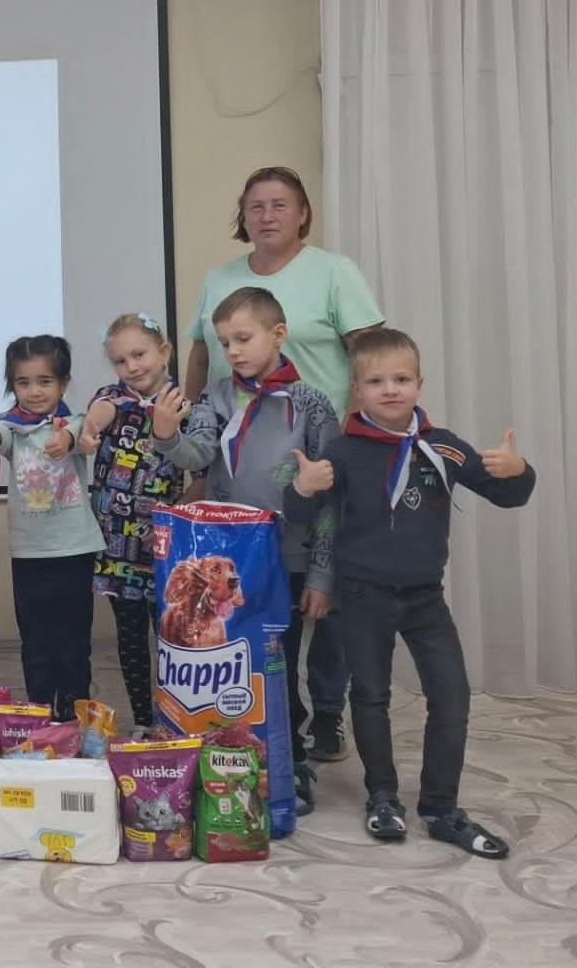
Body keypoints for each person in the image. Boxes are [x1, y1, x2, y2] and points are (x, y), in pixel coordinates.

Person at [284, 327, 532, 858]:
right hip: (362, 596)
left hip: (425, 597)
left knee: (452, 696)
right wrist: (302, 489)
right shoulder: (343, 450)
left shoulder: (443, 447)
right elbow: (302, 514)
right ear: (357, 391)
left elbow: (509, 496)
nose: (390, 389)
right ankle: (382, 797)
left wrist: (519, 472)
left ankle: (440, 808)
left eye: (401, 379)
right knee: (370, 695)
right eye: (376, 381)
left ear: (420, 384)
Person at [184, 166, 386, 762]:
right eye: (256, 206)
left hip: (326, 446)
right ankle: (268, 719)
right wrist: (190, 437)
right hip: (245, 465)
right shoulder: (220, 279)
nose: (267, 215)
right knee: (261, 602)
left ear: (302, 214)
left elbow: (370, 355)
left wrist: (361, 433)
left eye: (279, 204)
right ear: (242, 217)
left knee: (325, 590)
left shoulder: (333, 271)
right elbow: (201, 358)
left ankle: (326, 713)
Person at [153, 287, 338, 812]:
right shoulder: (216, 396)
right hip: (231, 561)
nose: (232, 351)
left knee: (279, 665)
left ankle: (290, 762)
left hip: (289, 557)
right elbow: (198, 454)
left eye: (243, 338)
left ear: (278, 335)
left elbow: (330, 494)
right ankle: (225, 754)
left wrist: (322, 574)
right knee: (229, 664)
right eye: (223, 342)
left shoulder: (311, 404)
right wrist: (167, 436)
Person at [77, 314, 187, 735]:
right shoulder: (112, 397)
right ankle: (142, 719)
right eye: (121, 361)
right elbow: (100, 413)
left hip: (164, 546)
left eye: (139, 355)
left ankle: (175, 719)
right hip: (116, 549)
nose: (132, 367)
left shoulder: (183, 406)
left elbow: (195, 462)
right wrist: (89, 430)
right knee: (131, 637)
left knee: (173, 636)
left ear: (164, 352)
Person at [0, 335, 106, 717]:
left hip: (74, 550)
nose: (34, 391)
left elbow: (81, 435)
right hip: (29, 553)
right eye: (23, 382)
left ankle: (73, 714)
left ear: (63, 383)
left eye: (45, 381)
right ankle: (40, 714)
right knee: (35, 643)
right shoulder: (12, 427)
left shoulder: (73, 421)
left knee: (74, 642)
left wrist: (68, 438)